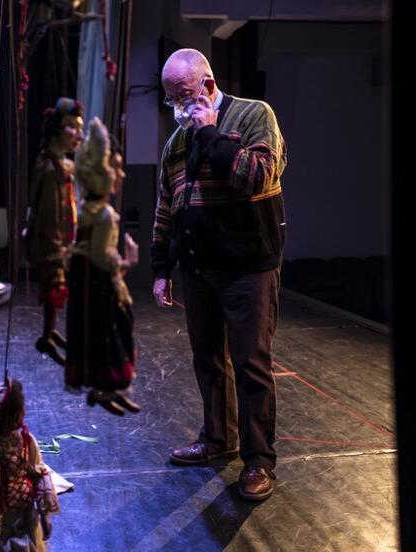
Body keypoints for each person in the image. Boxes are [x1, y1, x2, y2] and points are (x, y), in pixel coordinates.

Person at [150, 48, 287, 501]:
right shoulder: (176, 143)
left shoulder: (253, 115)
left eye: (183, 94)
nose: (177, 105)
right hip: (199, 268)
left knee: (251, 363)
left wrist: (209, 132)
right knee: (207, 359)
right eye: (171, 98)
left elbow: (257, 176)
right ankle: (217, 438)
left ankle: (258, 461)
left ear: (207, 85)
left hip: (247, 267)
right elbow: (167, 208)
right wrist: (160, 268)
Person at [65, 117, 140, 416]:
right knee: (112, 336)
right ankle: (108, 388)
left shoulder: (87, 208)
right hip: (99, 287)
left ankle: (107, 389)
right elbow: (101, 256)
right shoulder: (105, 215)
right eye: (117, 168)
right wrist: (127, 261)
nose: (122, 174)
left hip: (85, 283)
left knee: (94, 339)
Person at [0, 380, 59, 551]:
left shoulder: (25, 440)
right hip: (3, 525)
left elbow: (37, 471)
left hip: (27, 516)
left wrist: (44, 513)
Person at [25, 97, 85, 366]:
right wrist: (58, 250)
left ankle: (49, 334)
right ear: (57, 131)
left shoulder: (60, 166)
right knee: (54, 288)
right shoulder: (50, 169)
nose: (78, 135)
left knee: (58, 290)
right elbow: (49, 217)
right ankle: (47, 337)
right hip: (51, 245)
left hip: (61, 243)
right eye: (73, 127)